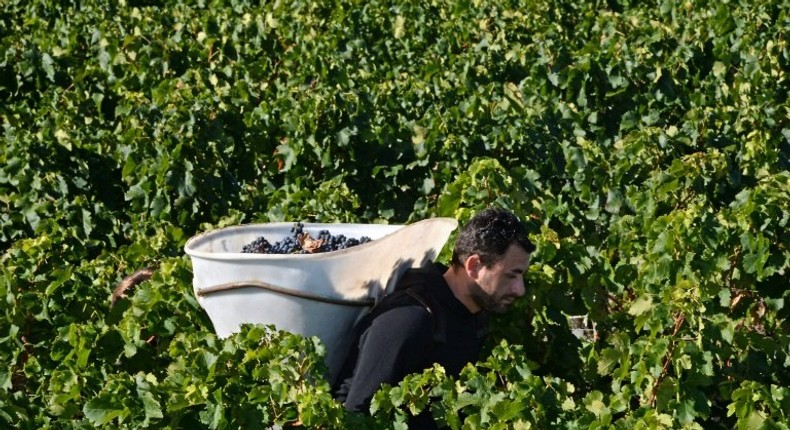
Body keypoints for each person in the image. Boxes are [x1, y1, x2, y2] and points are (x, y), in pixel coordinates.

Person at [333, 207, 536, 428]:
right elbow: (357, 415)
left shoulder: (474, 315)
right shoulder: (409, 320)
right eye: (511, 275)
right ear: (474, 266)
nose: (520, 290)